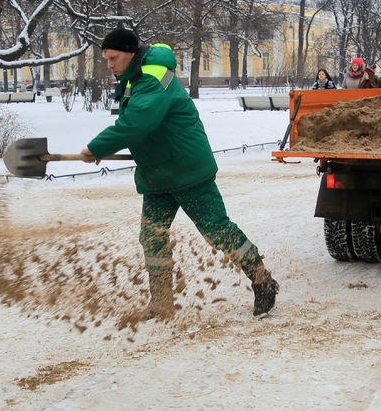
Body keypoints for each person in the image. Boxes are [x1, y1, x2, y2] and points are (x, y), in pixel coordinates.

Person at [81, 28, 278, 319]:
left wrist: (96, 147)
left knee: (216, 230)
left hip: (187, 170)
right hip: (157, 174)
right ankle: (161, 304)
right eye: (107, 59)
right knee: (151, 237)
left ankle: (262, 279)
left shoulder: (152, 76)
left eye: (113, 58)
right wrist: (108, 148)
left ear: (130, 53)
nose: (110, 64)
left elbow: (137, 123)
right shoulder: (133, 79)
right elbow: (141, 126)